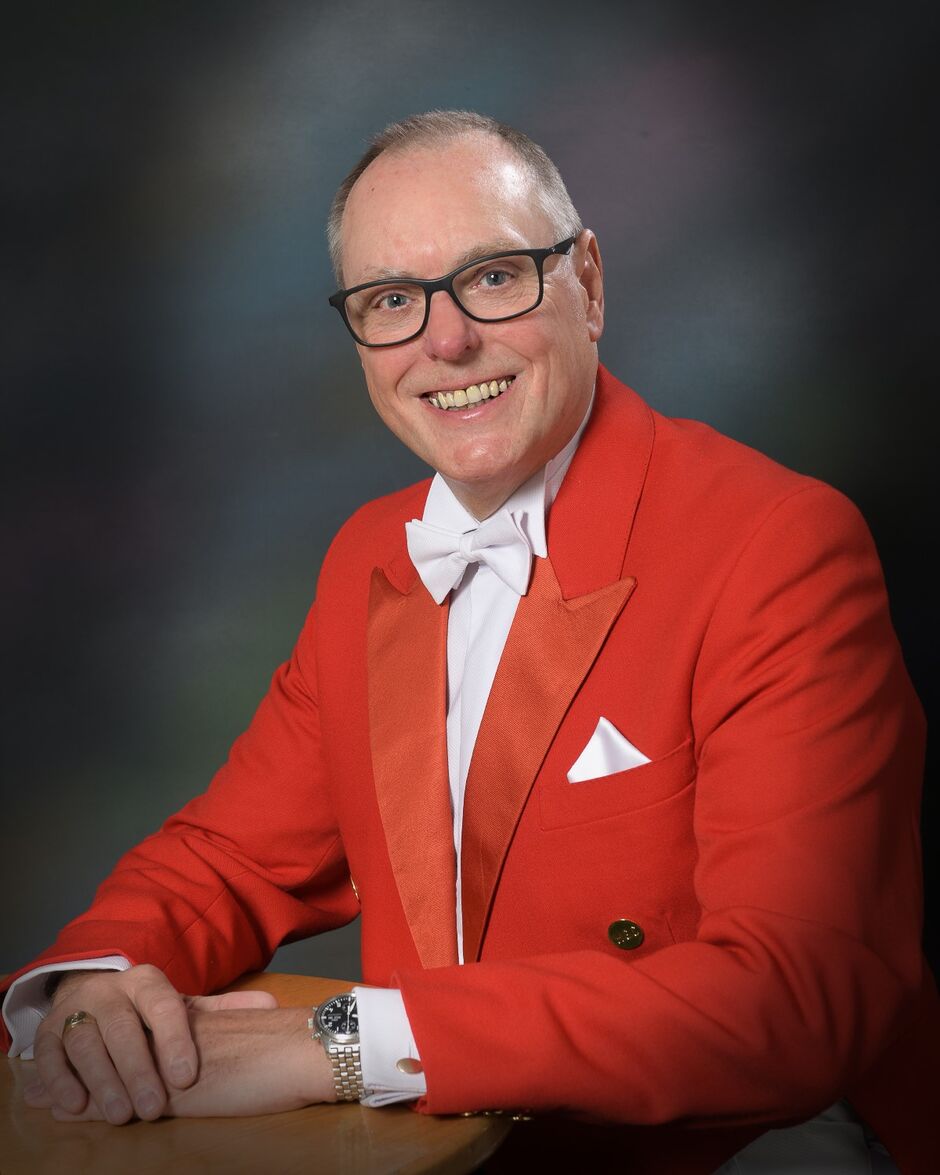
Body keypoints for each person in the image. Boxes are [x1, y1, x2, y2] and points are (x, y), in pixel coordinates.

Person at [3, 111, 937, 1173]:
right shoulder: (367, 556)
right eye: (391, 300)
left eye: (493, 277)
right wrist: (95, 985)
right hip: (457, 1146)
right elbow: (229, 856)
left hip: (742, 1138)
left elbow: (795, 1000)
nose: (444, 342)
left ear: (588, 283)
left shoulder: (778, 543)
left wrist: (335, 1044)